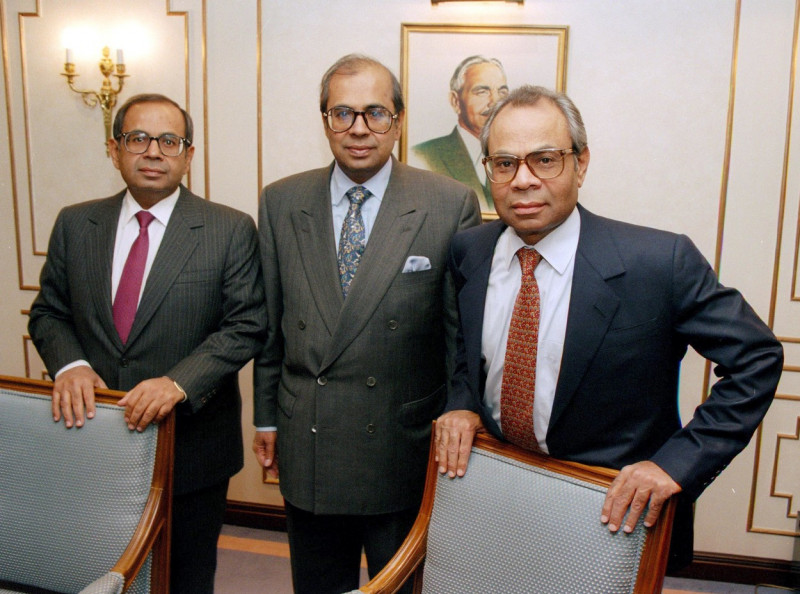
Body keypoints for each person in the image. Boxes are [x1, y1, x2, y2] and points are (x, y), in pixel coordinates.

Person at [435, 84, 783, 570]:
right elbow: (467, 353)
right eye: (505, 163)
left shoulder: (659, 262)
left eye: (546, 159)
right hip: (499, 490)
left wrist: (674, 465)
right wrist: (464, 405)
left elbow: (758, 359)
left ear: (581, 162)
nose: (524, 179)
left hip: (611, 511)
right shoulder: (469, 252)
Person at [252, 54, 481, 594]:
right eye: (343, 113)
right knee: (316, 584)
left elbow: (459, 340)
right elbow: (271, 325)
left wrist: (458, 420)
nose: (359, 128)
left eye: (376, 112)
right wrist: (266, 418)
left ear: (399, 120)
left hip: (400, 447)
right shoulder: (282, 201)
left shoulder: (448, 203)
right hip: (310, 440)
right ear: (325, 119)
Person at [28, 93, 267, 593]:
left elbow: (246, 324)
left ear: (189, 154)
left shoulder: (229, 229)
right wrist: (69, 364)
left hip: (191, 447)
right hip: (91, 439)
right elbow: (49, 312)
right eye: (138, 138)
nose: (153, 151)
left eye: (169, 140)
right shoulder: (76, 223)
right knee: (93, 571)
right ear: (113, 150)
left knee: (183, 579)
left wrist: (180, 382)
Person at [412, 55, 509, 211]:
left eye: (502, 92)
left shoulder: (517, 157)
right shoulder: (423, 156)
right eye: (482, 91)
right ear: (455, 101)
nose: (495, 102)